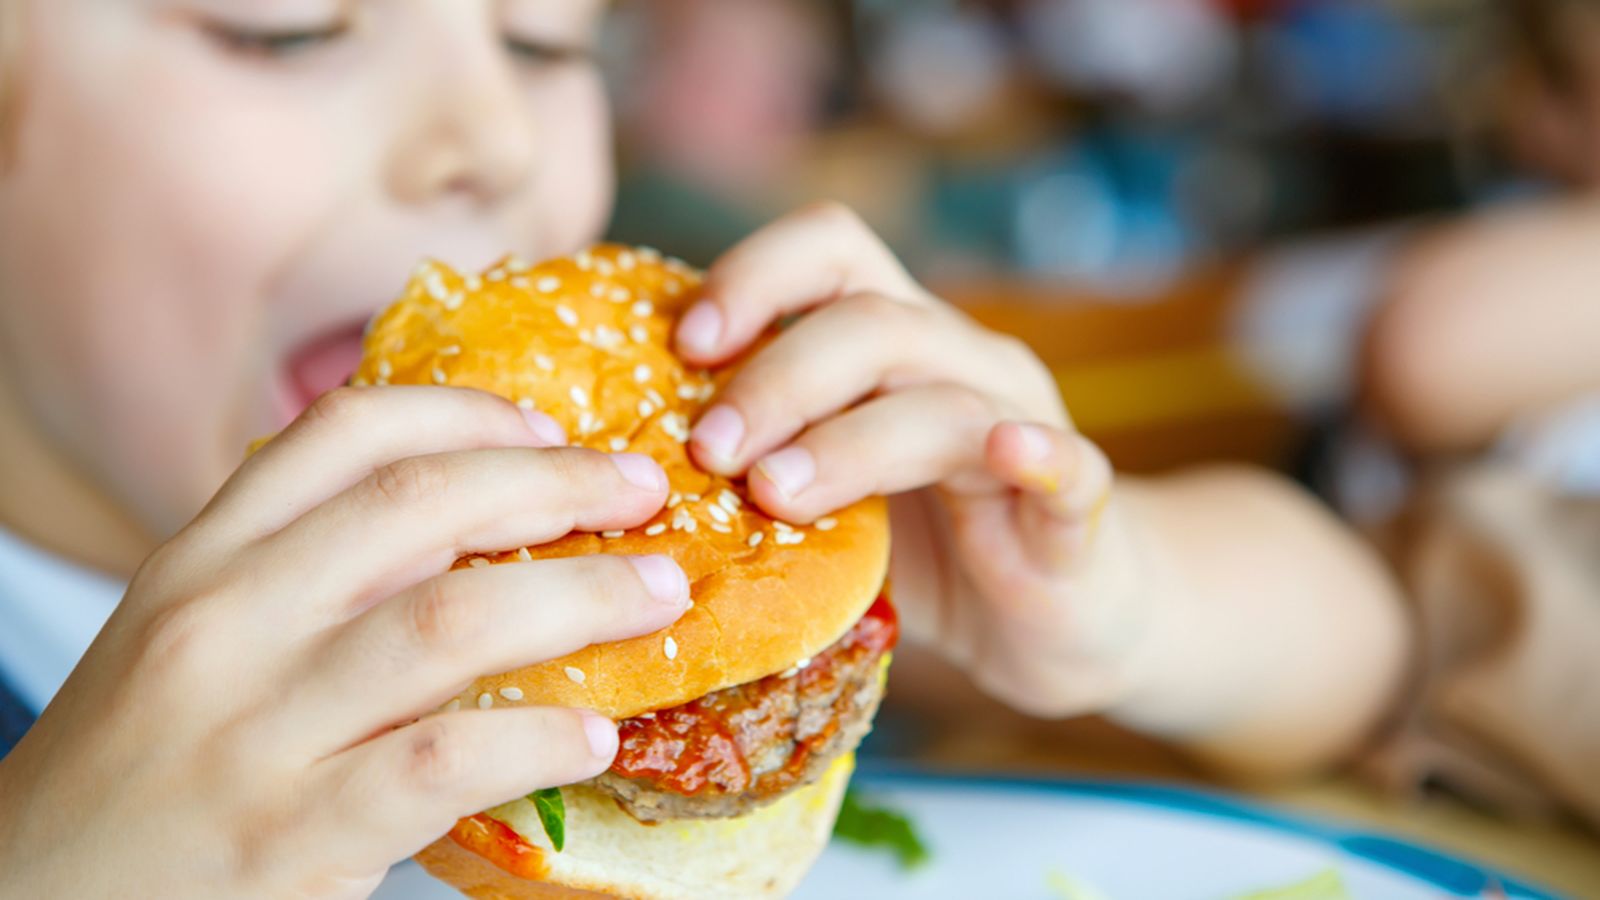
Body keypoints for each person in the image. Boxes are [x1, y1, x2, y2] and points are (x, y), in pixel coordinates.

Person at [0, 2, 1412, 896]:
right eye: (287, 28)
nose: (494, 139)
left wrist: (1120, 597)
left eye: (546, 43)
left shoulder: (671, 506)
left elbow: (1363, 657)